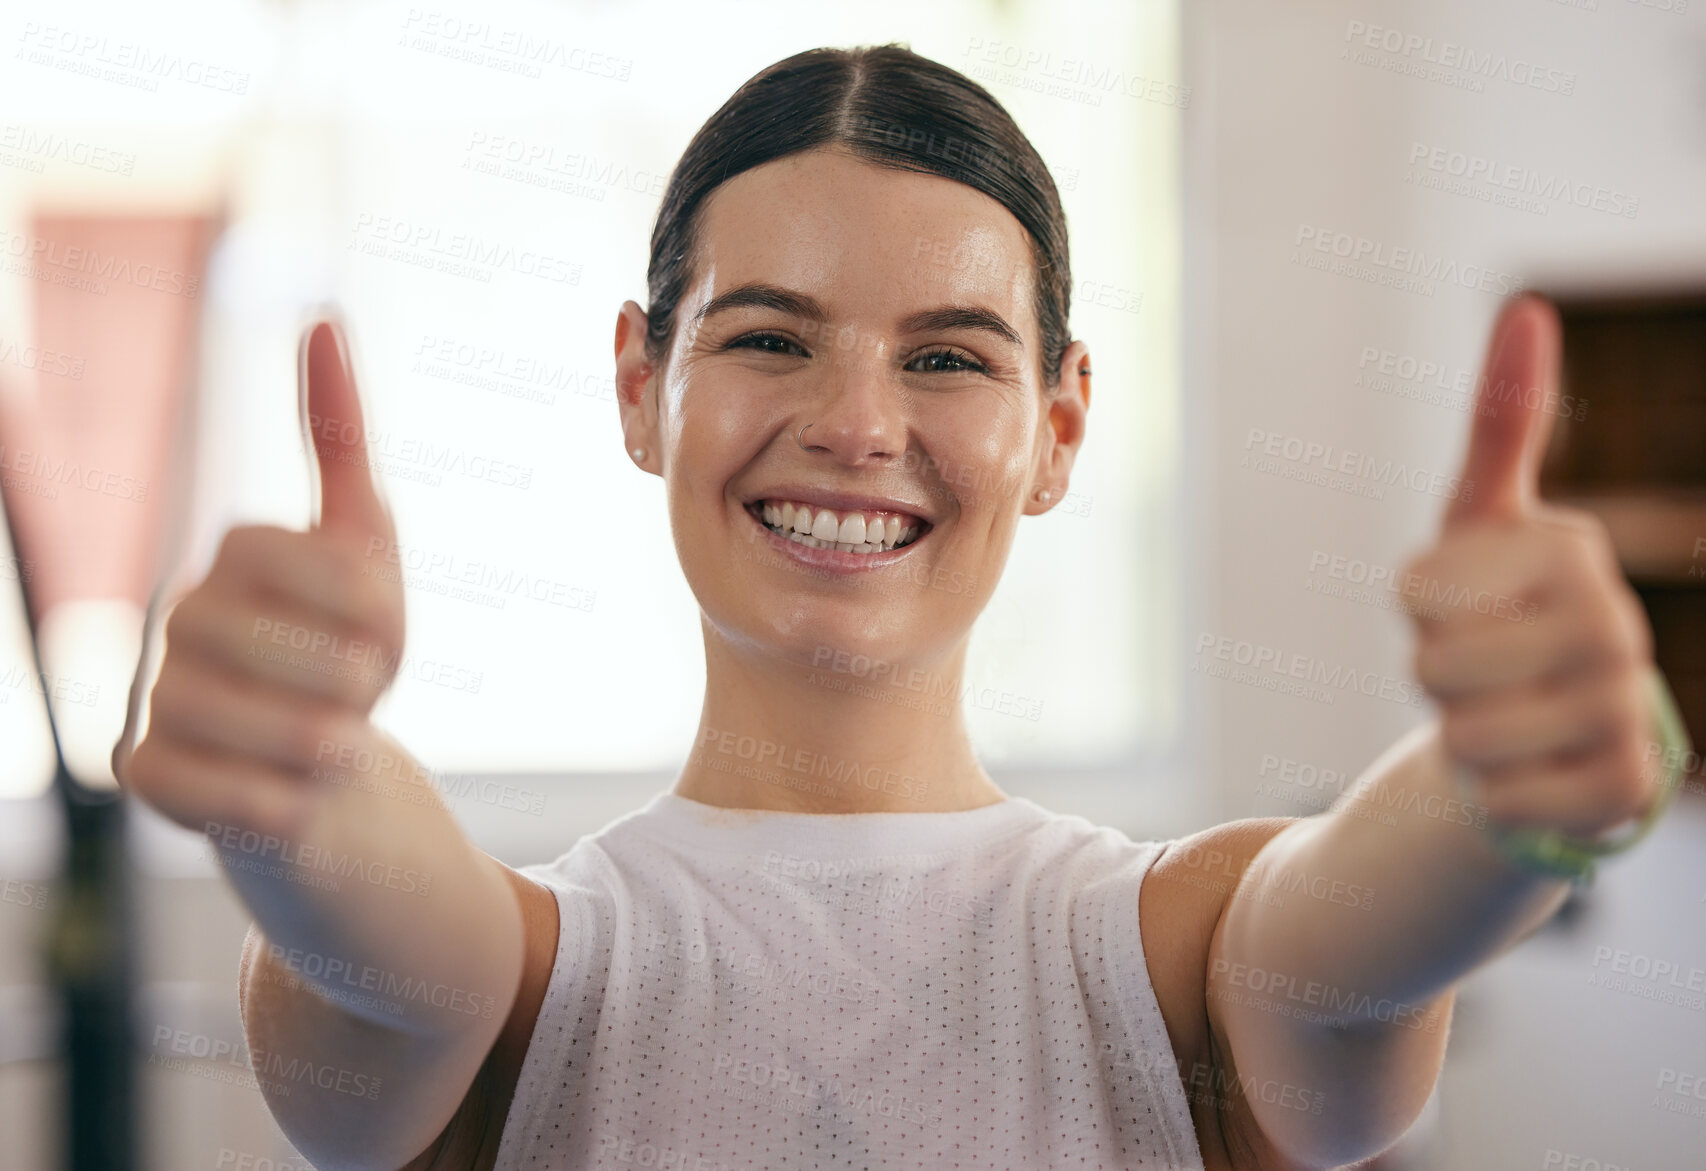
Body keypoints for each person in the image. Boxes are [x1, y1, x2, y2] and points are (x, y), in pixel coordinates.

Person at [117, 44, 1676, 1171]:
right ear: (639, 387)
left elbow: (1358, 931)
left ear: (1057, 429)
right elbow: (384, 946)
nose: (858, 425)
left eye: (945, 357)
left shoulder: (1177, 952)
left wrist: (1497, 804)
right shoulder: (517, 975)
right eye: (770, 340)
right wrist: (300, 787)